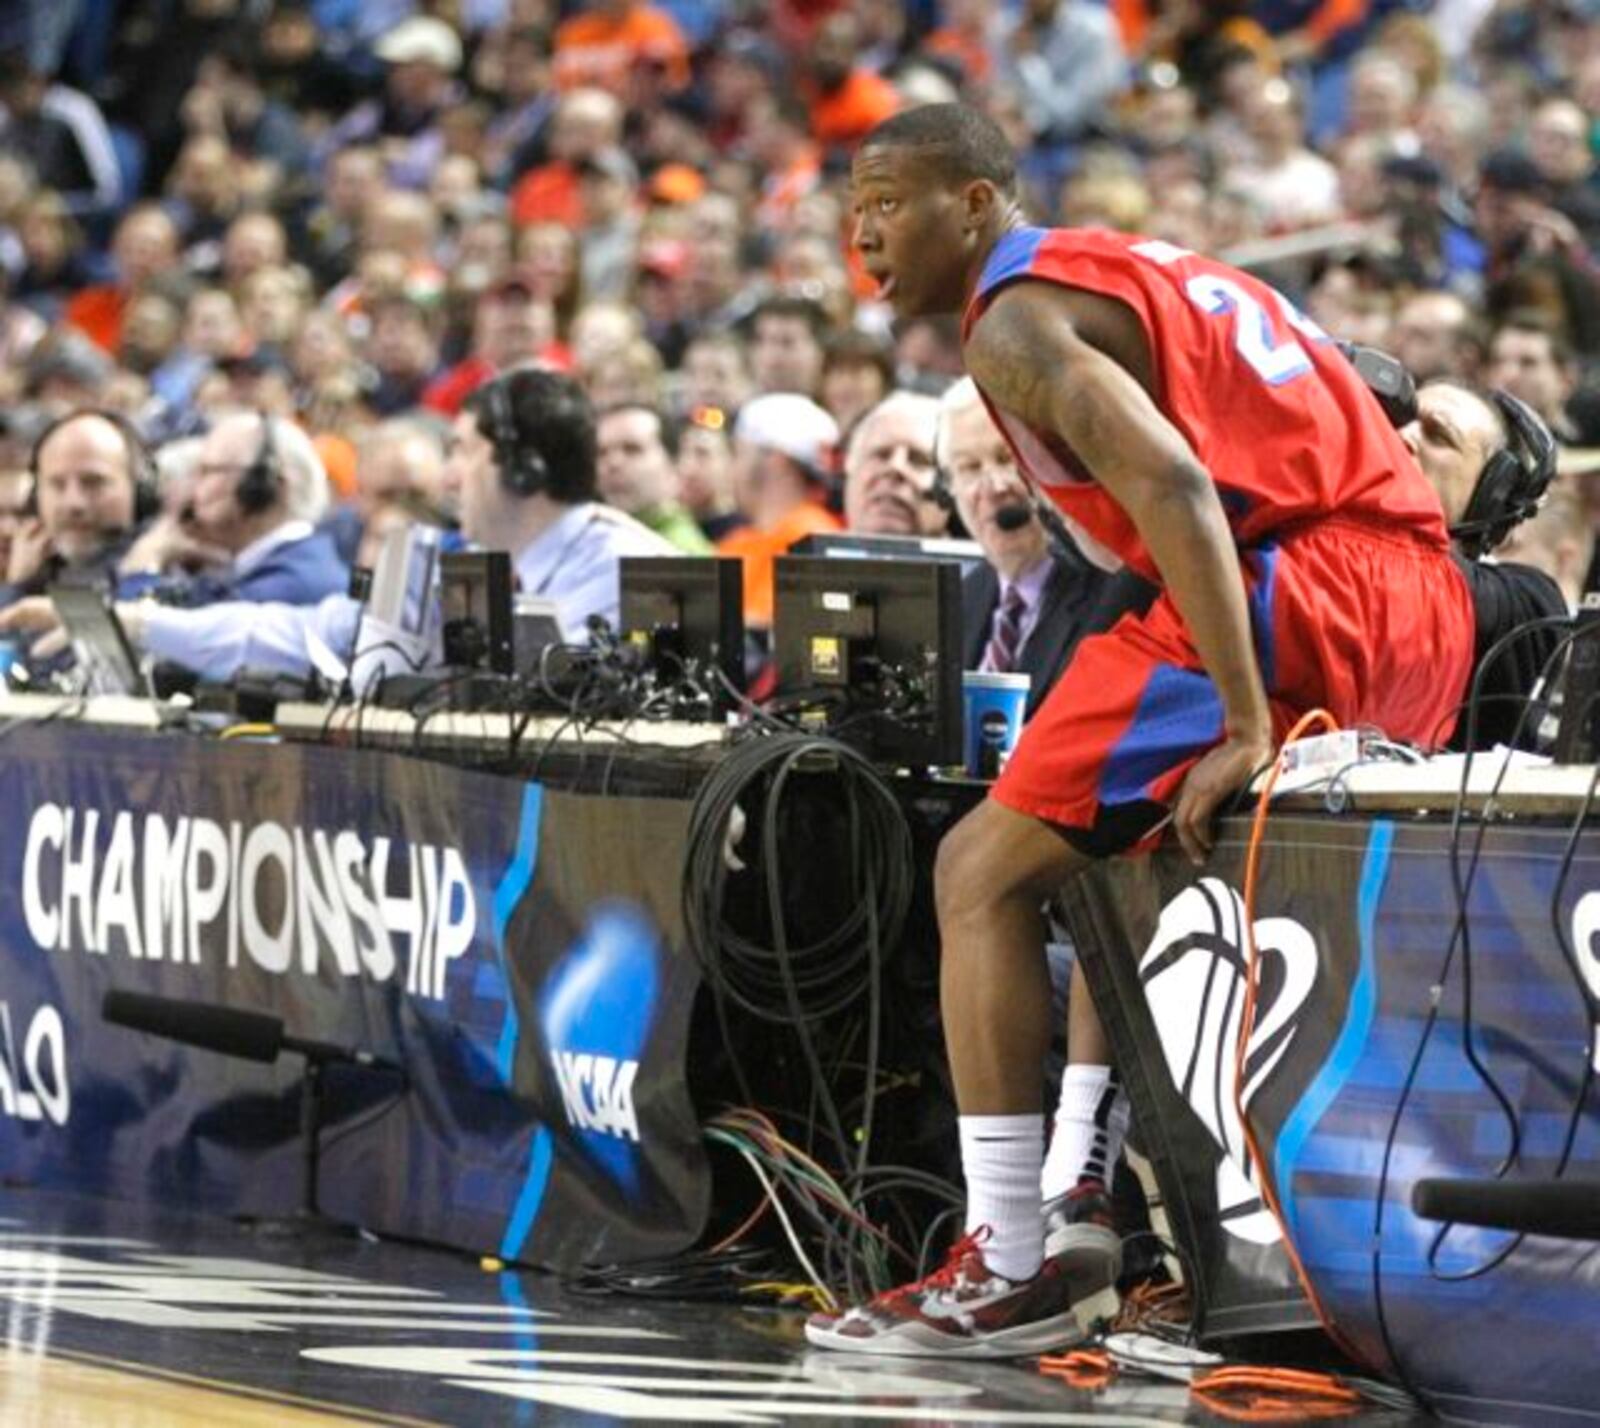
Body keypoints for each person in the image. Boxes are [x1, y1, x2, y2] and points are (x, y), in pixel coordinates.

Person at [809, 103, 1475, 1359]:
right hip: (1413, 588)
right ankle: (1124, 1226)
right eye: (853, 206)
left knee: (976, 874)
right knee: (1143, 862)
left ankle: (1011, 1256)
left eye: (887, 201)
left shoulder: (1013, 314)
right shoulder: (1128, 266)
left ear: (973, 202)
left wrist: (1236, 712)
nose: (862, 232)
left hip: (1300, 581)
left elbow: (1170, 482)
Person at [0, 370, 675, 684]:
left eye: (463, 453)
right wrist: (140, 624)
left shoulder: (626, 569)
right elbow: (303, 633)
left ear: (523, 469)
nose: (446, 479)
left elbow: (563, 704)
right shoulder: (451, 564)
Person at [939, 378, 1113, 716]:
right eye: (970, 468)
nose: (994, 487)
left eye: (1006, 459)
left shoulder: (1110, 593)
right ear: (947, 487)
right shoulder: (959, 601)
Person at [115, 411, 345, 608]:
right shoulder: (258, 568)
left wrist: (146, 559)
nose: (192, 490)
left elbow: (151, 634)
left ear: (269, 485)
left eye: (209, 471)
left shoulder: (291, 583)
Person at [0, 409, 153, 606]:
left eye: (93, 482)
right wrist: (18, 586)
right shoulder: (35, 572)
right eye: (57, 484)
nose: (73, 503)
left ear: (140, 490)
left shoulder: (169, 568)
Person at [595, 403, 712, 553]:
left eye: (632, 449)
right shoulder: (596, 543)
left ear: (674, 465)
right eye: (601, 453)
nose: (613, 463)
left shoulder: (682, 553)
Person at [840, 391, 945, 538]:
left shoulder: (985, 560)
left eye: (918, 460)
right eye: (881, 455)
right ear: (849, 466)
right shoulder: (801, 556)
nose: (896, 467)